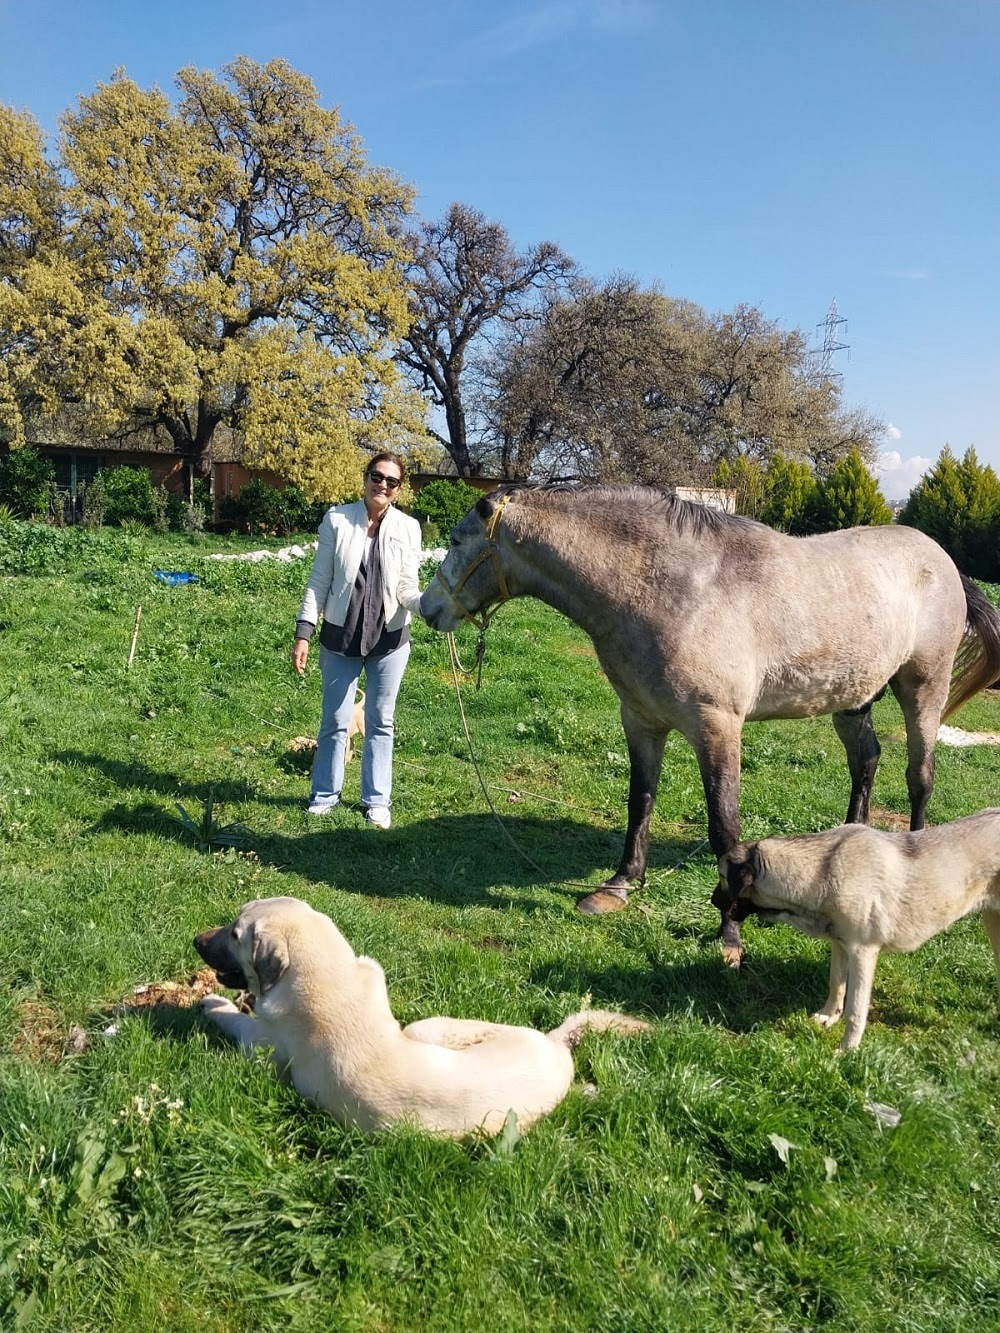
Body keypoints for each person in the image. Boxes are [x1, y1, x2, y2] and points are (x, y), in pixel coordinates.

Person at [292, 453, 422, 829]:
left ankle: (376, 800)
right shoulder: (337, 519)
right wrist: (304, 632)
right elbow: (319, 580)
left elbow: (406, 586)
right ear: (365, 478)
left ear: (399, 489)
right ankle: (324, 795)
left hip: (390, 640)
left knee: (381, 721)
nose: (382, 484)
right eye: (376, 476)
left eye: (391, 481)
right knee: (334, 720)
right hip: (339, 636)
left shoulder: (409, 528)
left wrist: (428, 605)